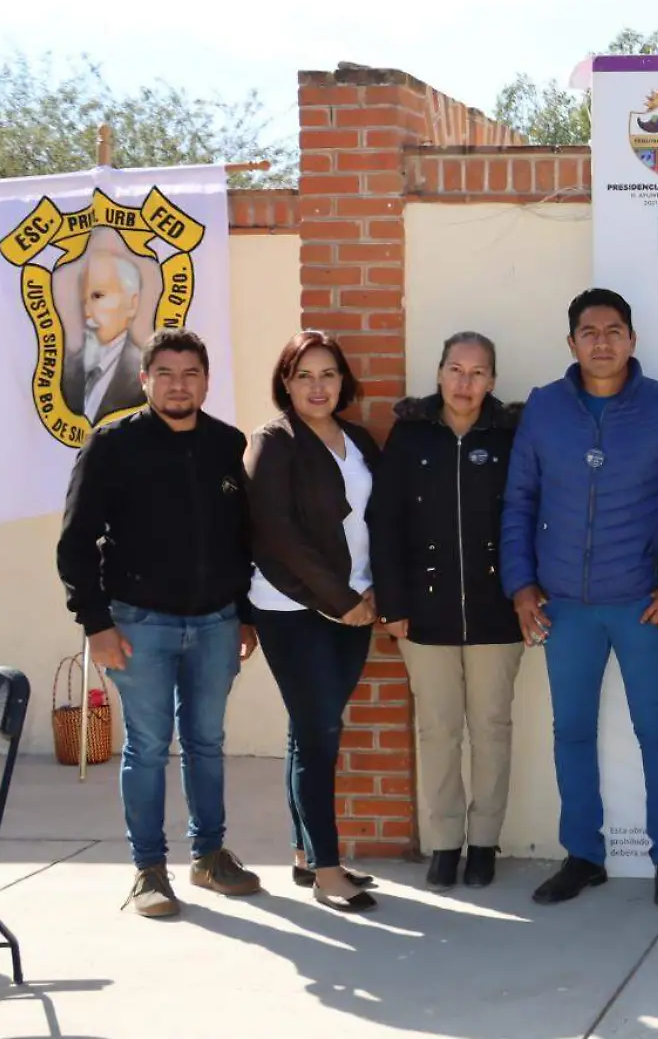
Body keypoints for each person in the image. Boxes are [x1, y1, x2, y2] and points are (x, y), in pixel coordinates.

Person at [503, 287, 658, 908]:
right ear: (571, 343)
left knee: (657, 729)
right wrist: (521, 587)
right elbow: (518, 502)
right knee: (571, 732)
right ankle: (583, 856)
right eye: (589, 332)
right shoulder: (544, 409)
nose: (602, 341)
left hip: (640, 605)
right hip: (563, 606)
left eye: (613, 330)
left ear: (632, 340)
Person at [56, 329, 263, 918]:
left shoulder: (228, 444)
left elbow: (241, 538)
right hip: (138, 625)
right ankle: (149, 869)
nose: (179, 384)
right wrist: (96, 623)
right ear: (144, 380)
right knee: (147, 748)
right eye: (165, 373)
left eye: (190, 373)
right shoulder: (112, 446)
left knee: (206, 744)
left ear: (206, 380)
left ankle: (211, 857)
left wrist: (244, 615)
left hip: (217, 623)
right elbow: (75, 545)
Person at [368, 332, 525, 890]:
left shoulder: (509, 436)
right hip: (423, 612)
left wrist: (526, 592)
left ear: (493, 381)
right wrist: (392, 604)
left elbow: (530, 516)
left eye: (478, 372)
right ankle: (443, 844)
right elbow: (382, 524)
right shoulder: (410, 437)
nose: (465, 383)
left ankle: (483, 842)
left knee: (491, 728)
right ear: (438, 374)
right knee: (437, 730)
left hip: (496, 611)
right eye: (455, 370)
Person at [246, 331, 383, 913]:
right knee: (320, 735)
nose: (318, 386)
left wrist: (374, 590)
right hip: (293, 609)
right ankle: (329, 872)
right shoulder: (272, 443)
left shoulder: (357, 439)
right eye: (305, 375)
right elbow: (278, 536)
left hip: (355, 604)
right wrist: (339, 599)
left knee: (310, 730)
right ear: (286, 383)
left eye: (328, 374)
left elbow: (379, 520)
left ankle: (305, 854)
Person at [63, 249, 149, 425]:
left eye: (98, 296)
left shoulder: (146, 372)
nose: (87, 313)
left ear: (132, 304)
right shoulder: (68, 371)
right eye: (83, 301)